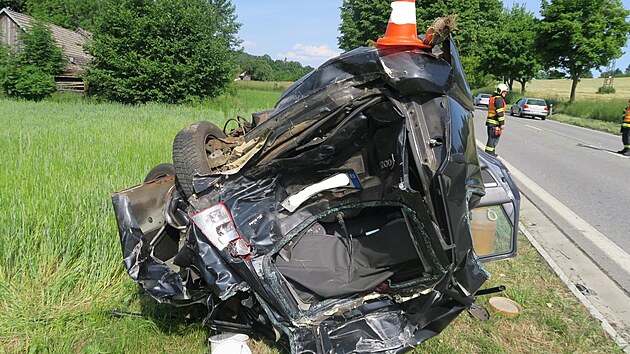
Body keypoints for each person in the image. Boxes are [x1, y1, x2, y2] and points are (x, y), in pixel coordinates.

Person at [484, 83, 509, 156]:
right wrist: (502, 124)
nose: (505, 93)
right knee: (492, 141)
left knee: (492, 140)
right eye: (504, 92)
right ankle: (489, 155)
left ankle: (491, 154)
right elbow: (500, 113)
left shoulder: (493, 98)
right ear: (500, 91)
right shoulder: (499, 100)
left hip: (491, 123)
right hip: (495, 124)